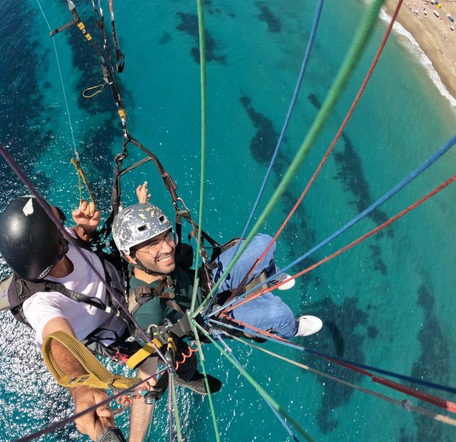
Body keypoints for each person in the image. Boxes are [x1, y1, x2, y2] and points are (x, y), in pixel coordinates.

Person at [113, 183, 323, 442]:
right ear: (130, 256)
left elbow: (147, 241)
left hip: (205, 280)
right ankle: (293, 329)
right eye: (152, 244)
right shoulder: (147, 313)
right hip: (210, 317)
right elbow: (145, 376)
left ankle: (267, 275)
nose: (167, 248)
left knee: (265, 244)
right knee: (278, 314)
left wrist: (142, 206)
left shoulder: (144, 258)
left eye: (166, 236)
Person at [0, 195, 134, 441]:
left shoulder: (53, 245)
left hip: (118, 281)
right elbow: (57, 339)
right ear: (58, 245)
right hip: (114, 329)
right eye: (61, 221)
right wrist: (82, 387)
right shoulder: (39, 303)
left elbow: (76, 242)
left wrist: (85, 231)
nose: (64, 221)